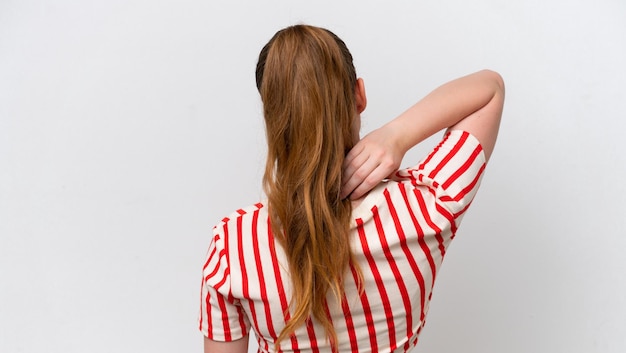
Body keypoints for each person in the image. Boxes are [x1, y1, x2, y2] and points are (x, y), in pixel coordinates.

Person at [199, 24, 504, 353]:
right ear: (359, 95)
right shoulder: (424, 209)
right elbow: (490, 88)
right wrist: (396, 135)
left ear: (273, 117)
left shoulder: (232, 246)